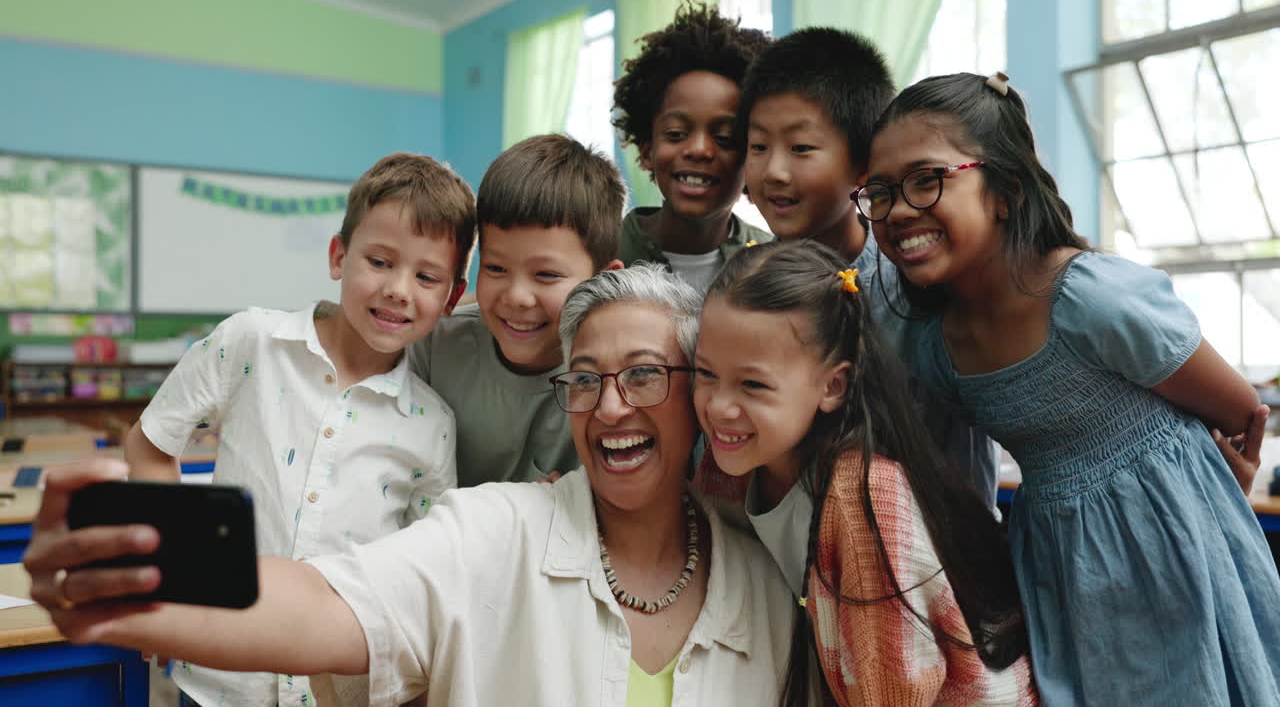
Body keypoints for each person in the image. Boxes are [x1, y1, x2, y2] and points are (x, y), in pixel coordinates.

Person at [23, 264, 795, 707]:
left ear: (701, 392)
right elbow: (323, 602)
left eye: (644, 375)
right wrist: (132, 589)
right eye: (585, 379)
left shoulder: (763, 585)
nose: (611, 405)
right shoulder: (495, 533)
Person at [857, 71, 1278, 705]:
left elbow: (1241, 408)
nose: (900, 210)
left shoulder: (1089, 298)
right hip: (1060, 576)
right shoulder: (931, 344)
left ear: (1005, 191)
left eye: (927, 179)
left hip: (1174, 556)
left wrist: (1208, 502)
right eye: (881, 192)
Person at [123, 152, 473, 706]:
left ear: (452, 297)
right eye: (380, 261)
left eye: (427, 276)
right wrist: (173, 572)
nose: (399, 289)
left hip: (341, 692)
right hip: (216, 680)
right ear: (339, 256)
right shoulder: (250, 343)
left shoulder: (433, 425)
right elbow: (149, 445)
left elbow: (424, 574)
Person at [694, 239, 1037, 706]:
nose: (718, 406)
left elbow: (893, 696)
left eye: (752, 384)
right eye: (705, 373)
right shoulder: (726, 467)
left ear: (833, 386)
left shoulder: (861, 500)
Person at [734, 26, 1001, 507]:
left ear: (863, 166)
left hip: (941, 556)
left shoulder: (917, 282)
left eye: (800, 148)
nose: (773, 170)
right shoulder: (748, 291)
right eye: (758, 147)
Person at [409, 134, 625, 486]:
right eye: (496, 268)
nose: (518, 297)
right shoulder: (432, 348)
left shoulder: (614, 387)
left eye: (546, 274)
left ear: (604, 282)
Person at [611, 0, 772, 292]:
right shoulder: (600, 252)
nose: (699, 149)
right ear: (647, 150)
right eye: (675, 133)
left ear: (753, 155)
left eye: (724, 137)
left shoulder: (773, 263)